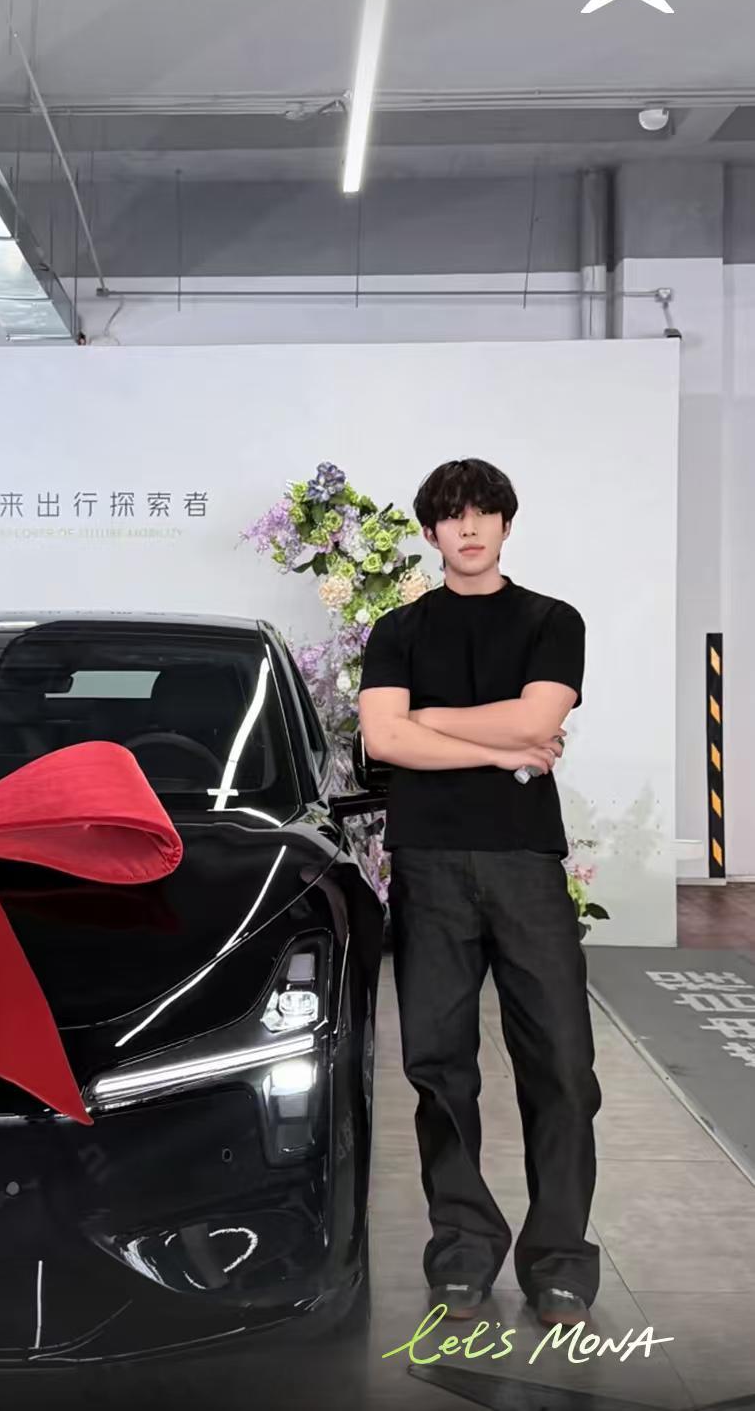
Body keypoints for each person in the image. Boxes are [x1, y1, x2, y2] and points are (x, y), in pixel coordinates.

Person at [358, 457, 601, 1330]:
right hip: (428, 864)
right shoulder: (397, 630)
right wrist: (496, 750)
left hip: (524, 863)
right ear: (430, 532)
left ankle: (560, 1259)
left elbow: (537, 720)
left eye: (483, 513)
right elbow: (383, 742)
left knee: (562, 1064)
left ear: (504, 523)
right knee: (437, 1066)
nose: (468, 528)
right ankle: (461, 1250)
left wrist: (428, 719)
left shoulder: (550, 620)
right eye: (452, 516)